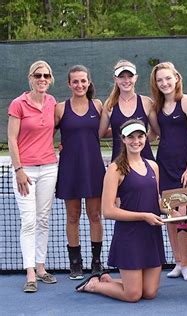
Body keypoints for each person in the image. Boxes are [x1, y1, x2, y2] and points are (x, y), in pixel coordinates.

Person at [75, 119, 166, 302]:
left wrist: (174, 210)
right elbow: (108, 211)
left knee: (149, 293)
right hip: (129, 236)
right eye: (130, 137)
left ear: (145, 138)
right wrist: (143, 216)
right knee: (132, 295)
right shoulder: (115, 169)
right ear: (123, 139)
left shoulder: (153, 166)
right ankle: (95, 285)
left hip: (151, 236)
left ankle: (109, 279)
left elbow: (156, 202)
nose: (136, 141)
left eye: (140, 136)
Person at [7, 60, 58, 293]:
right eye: (38, 75)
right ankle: (29, 273)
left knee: (43, 219)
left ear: (50, 79)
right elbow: (11, 139)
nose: (42, 79)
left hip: (49, 167)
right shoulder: (18, 104)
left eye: (46, 75)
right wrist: (18, 170)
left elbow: (56, 129)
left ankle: (40, 267)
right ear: (30, 78)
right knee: (28, 221)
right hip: (24, 171)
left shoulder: (51, 102)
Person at [150, 62, 187, 281]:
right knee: (171, 216)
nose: (164, 83)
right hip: (164, 167)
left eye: (168, 78)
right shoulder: (157, 107)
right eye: (160, 80)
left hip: (184, 170)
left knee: (184, 219)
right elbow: (156, 134)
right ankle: (177, 262)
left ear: (177, 78)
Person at [55, 65, 105, 280]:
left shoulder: (98, 105)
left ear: (89, 82)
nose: (79, 85)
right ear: (69, 84)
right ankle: (75, 263)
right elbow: (46, 133)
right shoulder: (59, 108)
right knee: (73, 216)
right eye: (75, 81)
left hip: (93, 168)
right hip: (70, 169)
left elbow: (106, 131)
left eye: (83, 81)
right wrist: (55, 146)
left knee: (95, 215)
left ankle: (96, 262)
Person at [99, 60, 159, 161]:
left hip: (145, 161)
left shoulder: (146, 102)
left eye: (130, 76)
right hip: (119, 163)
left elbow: (156, 132)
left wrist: (138, 142)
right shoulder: (109, 105)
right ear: (115, 79)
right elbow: (100, 134)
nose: (126, 80)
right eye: (122, 77)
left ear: (136, 78)